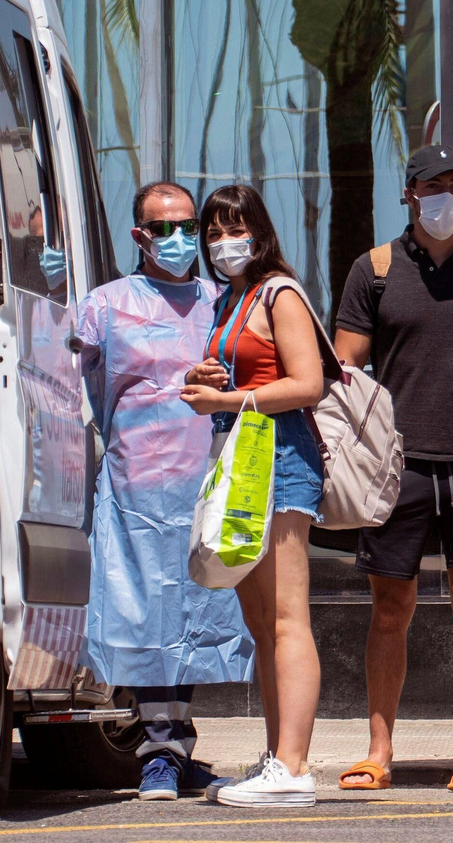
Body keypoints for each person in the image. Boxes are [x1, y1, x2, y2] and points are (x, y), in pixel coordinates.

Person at [333, 144, 453, 793]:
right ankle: (378, 751)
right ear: (410, 194)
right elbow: (345, 370)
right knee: (391, 609)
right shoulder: (375, 270)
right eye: (435, 184)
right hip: (396, 469)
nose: (448, 196)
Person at [77, 181, 249, 801]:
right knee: (147, 616)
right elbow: (74, 386)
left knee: (198, 616)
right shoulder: (105, 305)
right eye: (164, 227)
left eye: (187, 227)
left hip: (208, 484)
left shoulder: (224, 302)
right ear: (139, 235)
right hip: (135, 491)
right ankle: (158, 750)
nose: (179, 239)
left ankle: (177, 747)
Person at [180, 185, 327, 807]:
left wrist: (227, 400)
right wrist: (204, 377)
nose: (221, 243)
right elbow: (244, 370)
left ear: (258, 231)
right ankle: (276, 758)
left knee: (288, 616)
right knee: (260, 621)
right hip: (241, 463)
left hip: (282, 458)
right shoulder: (230, 299)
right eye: (212, 233)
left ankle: (293, 767)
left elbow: (308, 383)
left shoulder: (279, 292)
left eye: (232, 229)